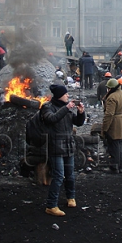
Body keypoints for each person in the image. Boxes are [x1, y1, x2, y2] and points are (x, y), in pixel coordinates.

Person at [41, 84, 85, 216]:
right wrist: (66, 108)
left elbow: (78, 122)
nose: (68, 96)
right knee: (59, 176)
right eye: (66, 94)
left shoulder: (67, 109)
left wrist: (81, 113)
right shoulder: (47, 107)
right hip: (55, 146)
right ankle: (51, 205)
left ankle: (71, 197)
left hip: (68, 145)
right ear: (60, 95)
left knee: (70, 174)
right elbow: (52, 119)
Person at [101, 78, 122, 173]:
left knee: (113, 146)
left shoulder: (112, 97)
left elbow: (109, 114)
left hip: (114, 124)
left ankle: (114, 167)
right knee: (119, 144)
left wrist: (104, 129)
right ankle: (121, 165)